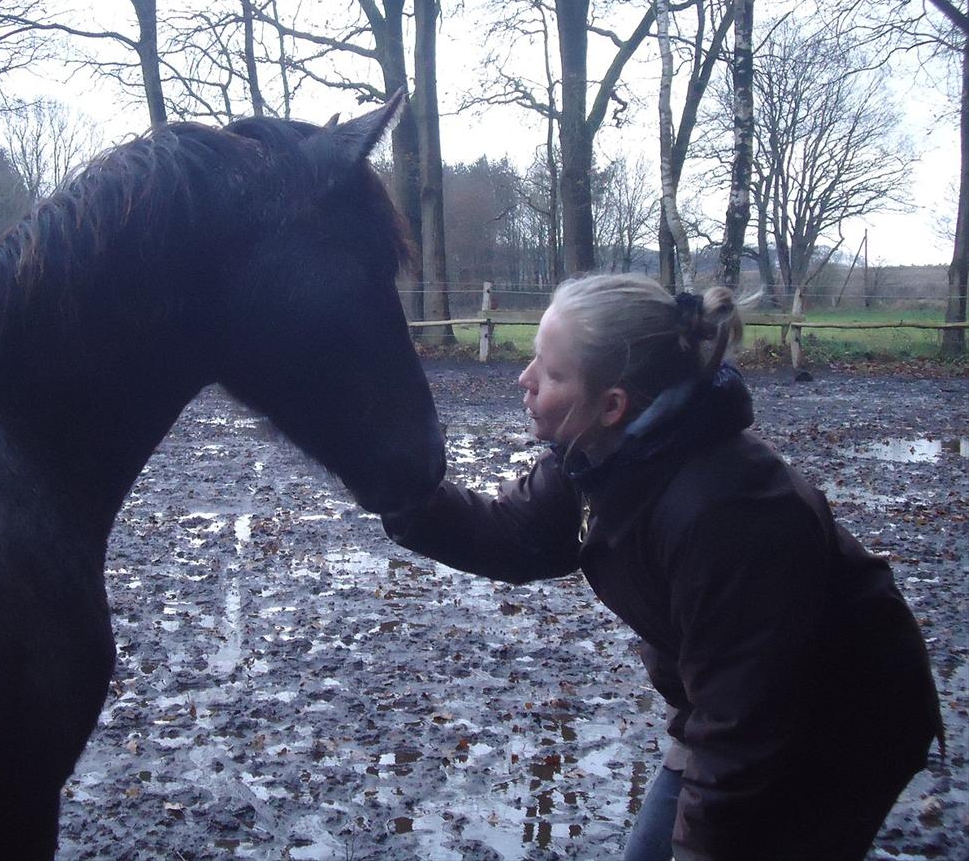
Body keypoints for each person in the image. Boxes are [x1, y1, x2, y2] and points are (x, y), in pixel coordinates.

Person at [382, 275, 942, 861]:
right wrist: (406, 496)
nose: (523, 381)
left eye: (550, 374)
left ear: (613, 404)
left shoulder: (727, 511)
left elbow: (746, 729)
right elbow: (520, 536)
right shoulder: (598, 455)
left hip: (842, 725)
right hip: (731, 711)